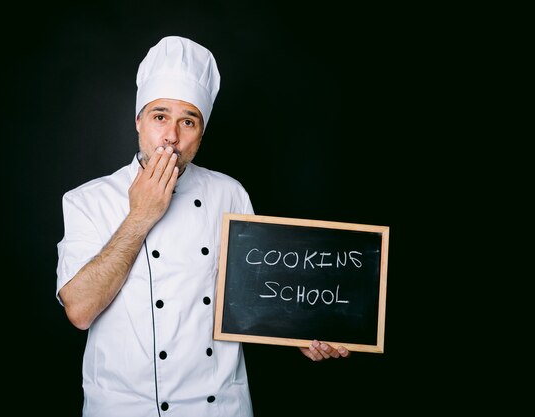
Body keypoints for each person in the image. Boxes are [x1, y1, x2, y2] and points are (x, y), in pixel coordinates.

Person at [56, 35, 349, 417]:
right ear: (138, 121)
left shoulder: (230, 195)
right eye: (160, 116)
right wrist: (141, 215)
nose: (172, 137)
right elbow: (79, 310)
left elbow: (264, 298)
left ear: (201, 132)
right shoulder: (86, 200)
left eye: (188, 121)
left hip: (218, 408)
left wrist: (301, 333)